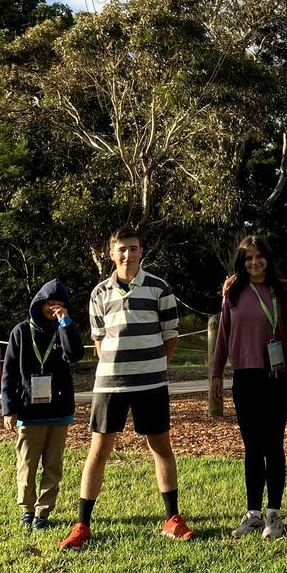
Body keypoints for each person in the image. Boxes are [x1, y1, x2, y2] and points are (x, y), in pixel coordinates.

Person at [60, 227, 189, 550]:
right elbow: (99, 342)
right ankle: (82, 524)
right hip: (110, 384)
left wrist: (151, 366)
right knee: (98, 451)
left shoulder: (159, 288)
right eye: (121, 249)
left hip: (151, 383)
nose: (127, 254)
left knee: (160, 447)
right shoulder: (99, 293)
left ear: (141, 251)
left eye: (133, 248)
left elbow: (170, 337)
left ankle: (172, 519)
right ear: (111, 253)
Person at [210, 235, 287, 540]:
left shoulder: (282, 290)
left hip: (277, 376)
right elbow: (223, 334)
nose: (254, 262)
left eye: (260, 256)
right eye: (248, 258)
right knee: (252, 447)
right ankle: (253, 514)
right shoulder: (233, 292)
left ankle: (274, 514)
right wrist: (216, 373)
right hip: (246, 377)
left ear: (268, 258)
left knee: (274, 445)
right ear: (241, 263)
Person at [0, 278, 85, 531]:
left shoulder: (64, 328)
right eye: (50, 303)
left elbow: (74, 355)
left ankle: (43, 512)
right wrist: (8, 409)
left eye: (59, 304)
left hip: (58, 410)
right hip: (29, 410)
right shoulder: (21, 332)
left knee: (53, 465)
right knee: (27, 463)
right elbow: (8, 374)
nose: (54, 308)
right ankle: (26, 509)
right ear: (39, 304)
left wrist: (65, 324)